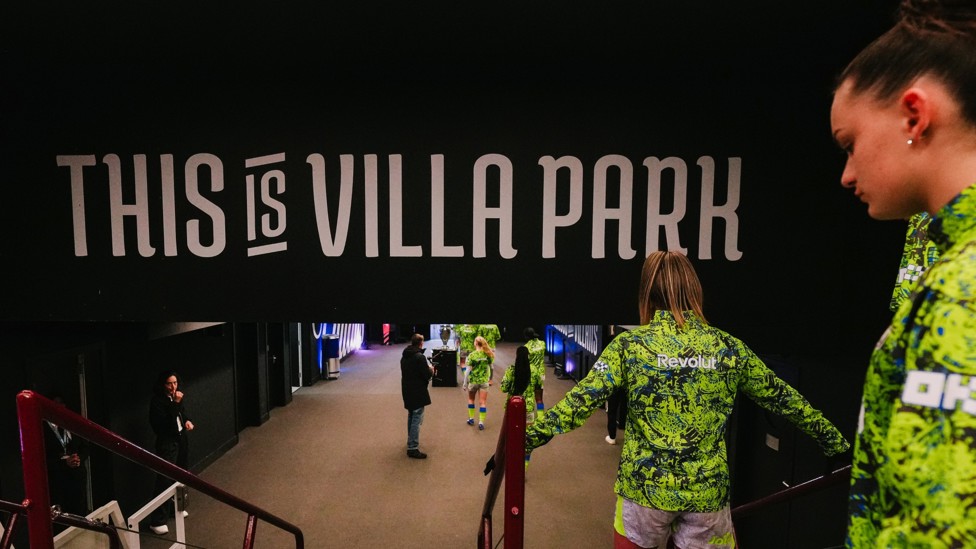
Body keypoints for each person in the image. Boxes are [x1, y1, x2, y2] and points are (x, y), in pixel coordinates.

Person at [524, 251, 850, 549]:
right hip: (706, 495)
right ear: (695, 291)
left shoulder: (630, 346)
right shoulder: (727, 346)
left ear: (646, 293)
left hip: (644, 491)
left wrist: (527, 438)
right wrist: (834, 443)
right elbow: (783, 398)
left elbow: (580, 402)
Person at [829, 1, 976, 545]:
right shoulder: (950, 261)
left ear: (914, 115)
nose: (847, 174)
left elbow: (941, 530)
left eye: (850, 144)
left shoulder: (963, 291)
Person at [148, 370, 195, 535]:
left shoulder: (175, 397)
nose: (173, 386)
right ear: (163, 384)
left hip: (181, 438)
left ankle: (176, 509)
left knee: (182, 475)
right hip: (167, 443)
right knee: (165, 479)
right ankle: (157, 520)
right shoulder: (157, 402)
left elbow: (181, 413)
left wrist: (187, 420)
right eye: (169, 383)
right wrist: (175, 403)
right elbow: (164, 426)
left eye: (175, 383)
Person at [44, 393, 89, 517]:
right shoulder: (43, 427)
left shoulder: (72, 422)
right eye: (55, 403)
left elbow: (85, 447)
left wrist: (79, 458)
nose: (59, 406)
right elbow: (43, 456)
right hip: (57, 479)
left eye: (61, 403)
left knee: (79, 513)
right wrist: (64, 462)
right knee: (61, 516)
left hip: (77, 476)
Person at [500, 345, 542, 467]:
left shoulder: (511, 370)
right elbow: (538, 387)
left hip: (512, 407)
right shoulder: (534, 370)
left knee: (509, 435)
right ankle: (524, 468)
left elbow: (503, 388)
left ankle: (510, 462)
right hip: (528, 408)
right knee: (527, 438)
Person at [401, 333, 433, 459]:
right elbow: (427, 375)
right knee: (417, 419)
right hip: (417, 391)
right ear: (421, 343)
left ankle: (410, 442)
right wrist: (431, 370)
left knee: (411, 415)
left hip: (407, 390)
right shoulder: (419, 357)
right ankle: (413, 447)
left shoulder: (404, 356)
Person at [465, 335, 494, 430]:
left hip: (473, 381)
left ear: (476, 343)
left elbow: (467, 371)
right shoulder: (487, 354)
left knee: (471, 400)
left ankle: (471, 418)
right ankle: (481, 422)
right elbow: (491, 367)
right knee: (483, 402)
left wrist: (465, 383)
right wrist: (490, 378)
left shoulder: (472, 355)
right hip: (484, 381)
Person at [523, 327, 546, 413]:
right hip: (541, 374)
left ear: (526, 337)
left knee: (529, 397)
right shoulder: (542, 344)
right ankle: (541, 418)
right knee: (539, 397)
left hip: (531, 374)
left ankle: (530, 419)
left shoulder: (526, 347)